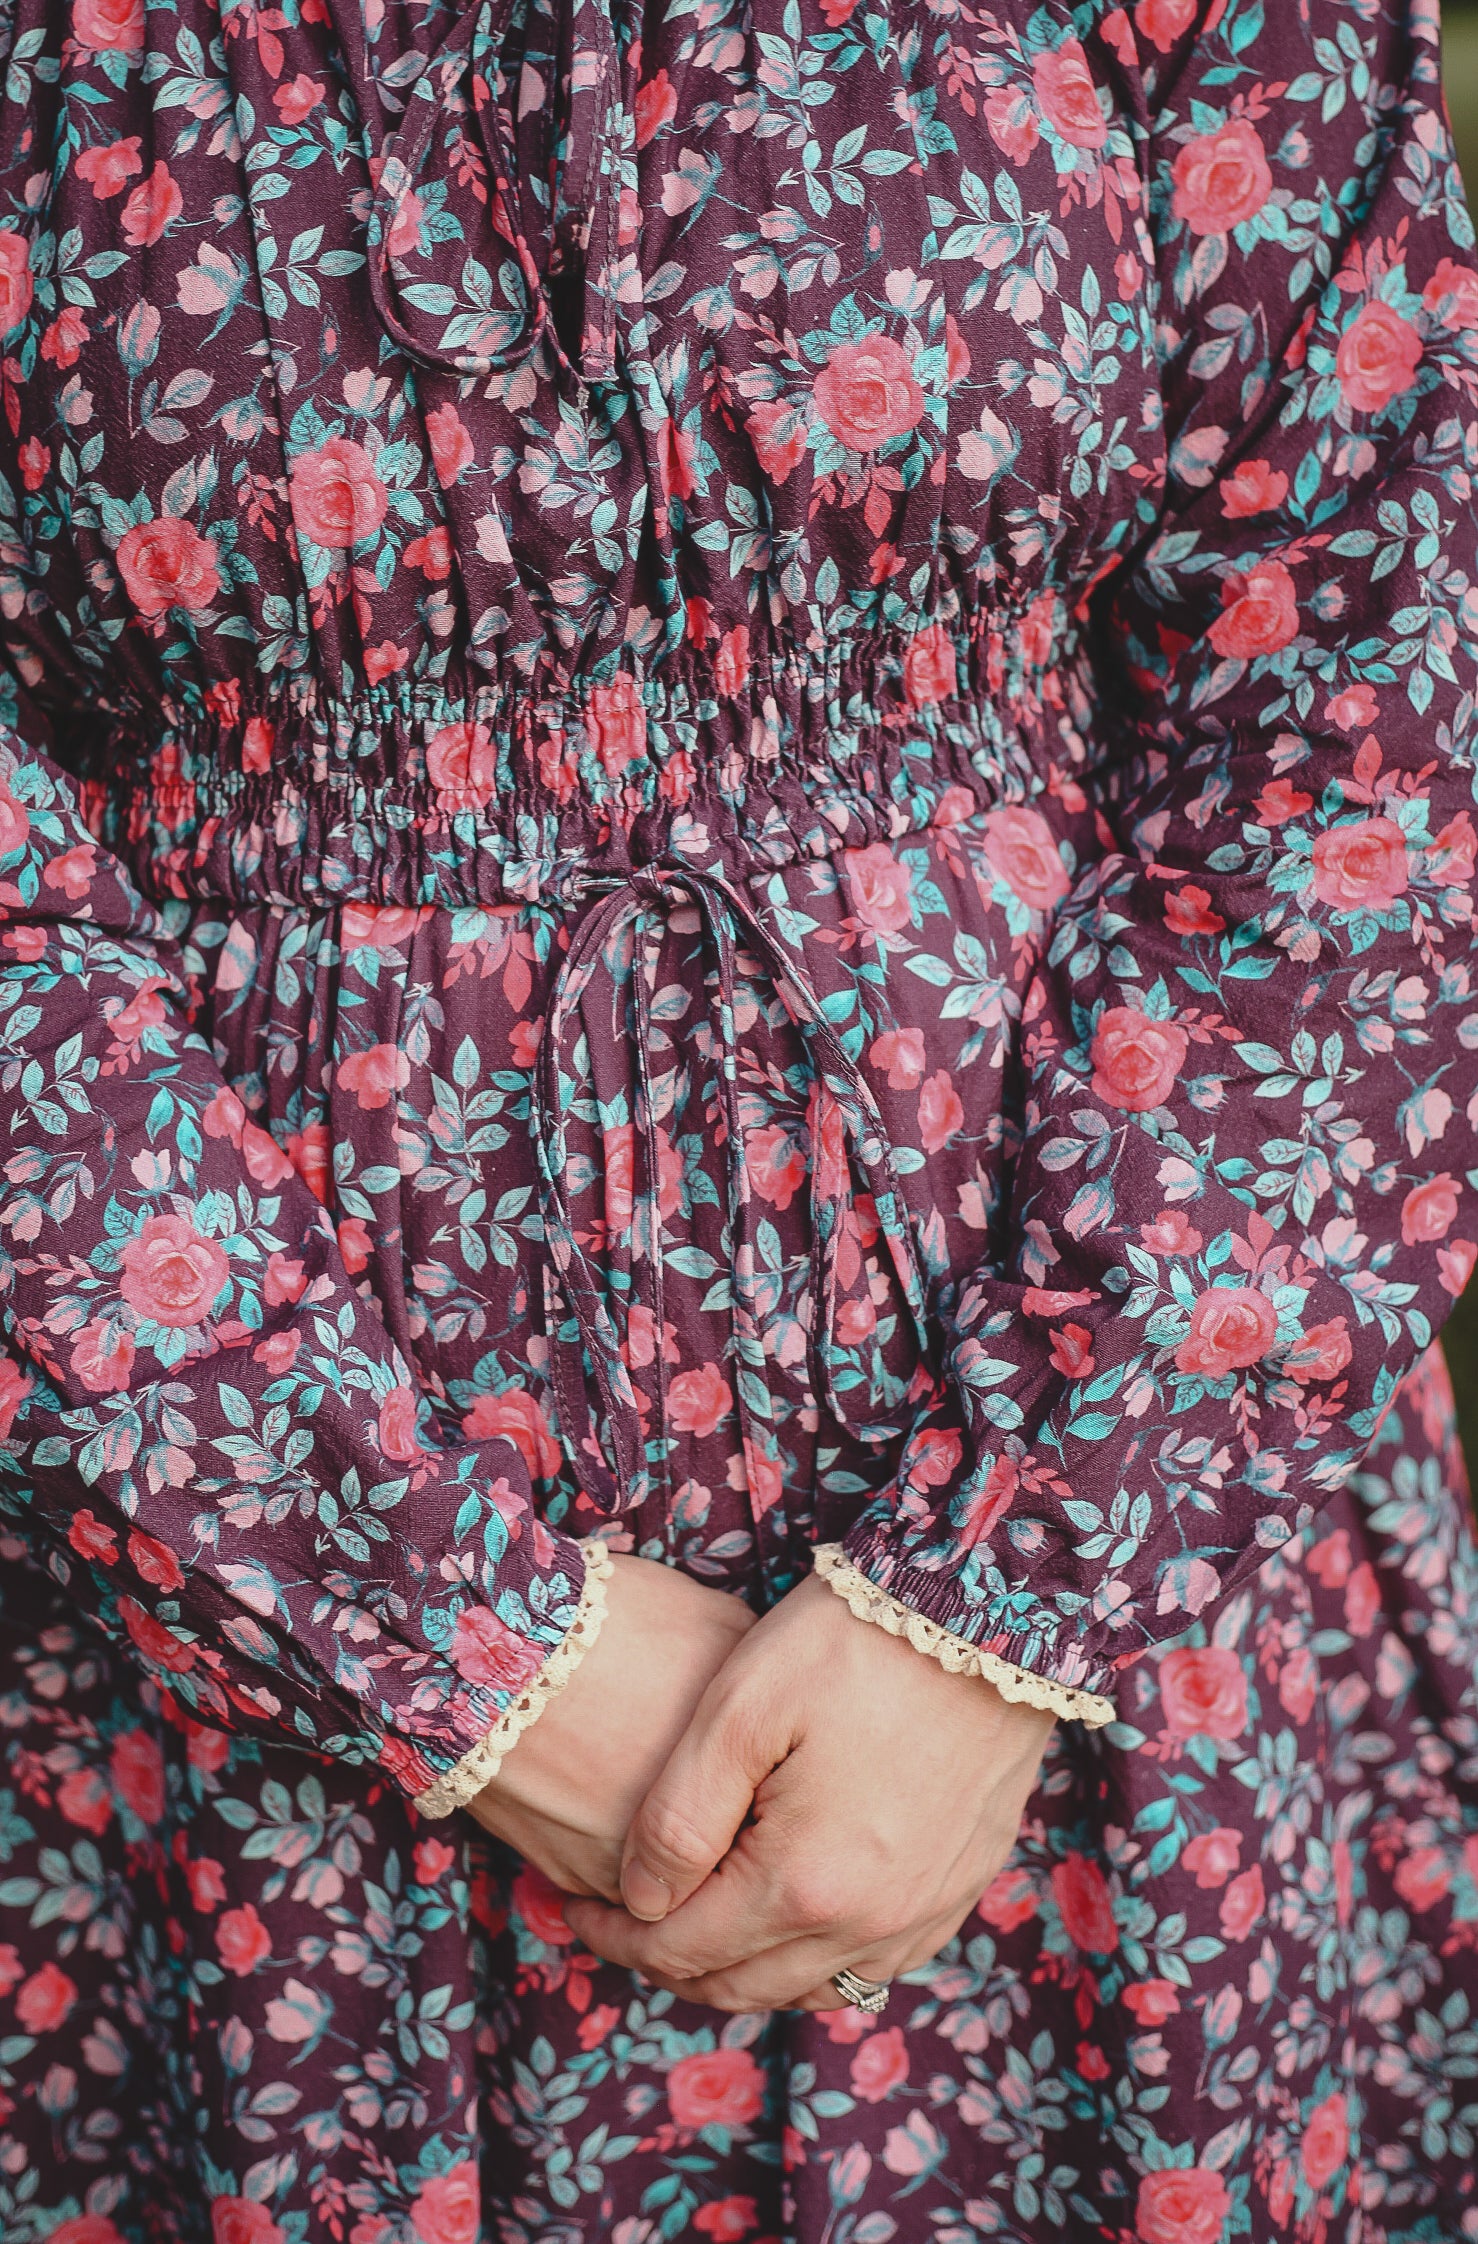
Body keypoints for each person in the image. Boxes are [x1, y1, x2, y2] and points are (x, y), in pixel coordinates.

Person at [0, 0, 1475, 2233]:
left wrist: (1012, 1591)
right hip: (219, 1703)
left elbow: (1374, 693)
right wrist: (433, 1632)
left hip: (1113, 1656)